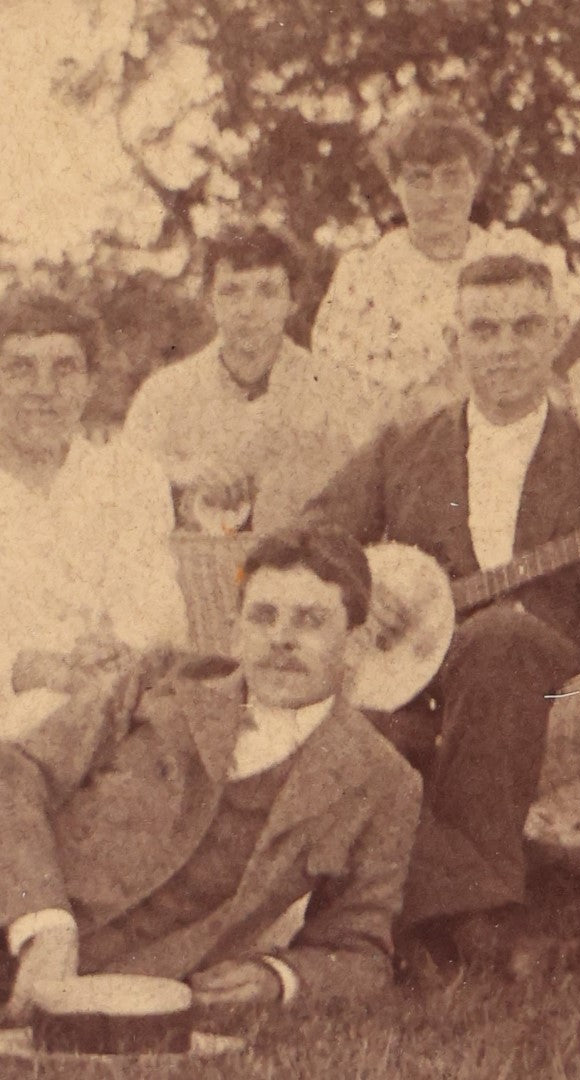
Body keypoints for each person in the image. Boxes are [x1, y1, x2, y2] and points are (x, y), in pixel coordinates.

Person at [304, 252, 580, 974]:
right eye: (483, 329)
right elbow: (309, 538)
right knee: (348, 726)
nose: (503, 347)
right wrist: (359, 589)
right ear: (455, 341)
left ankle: (445, 916)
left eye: (525, 327)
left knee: (504, 636)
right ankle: (466, 917)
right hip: (410, 680)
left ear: (556, 334)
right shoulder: (403, 449)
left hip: (542, 679)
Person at [0, 527, 422, 1016]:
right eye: (263, 617)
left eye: (310, 621)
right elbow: (17, 769)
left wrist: (277, 978)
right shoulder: (161, 680)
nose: (281, 639)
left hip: (127, 993)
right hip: (23, 912)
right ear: (235, 629)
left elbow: (359, 952)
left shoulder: (381, 780)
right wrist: (44, 924)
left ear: (354, 642)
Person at [309, 100, 580, 446]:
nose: (437, 195)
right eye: (419, 179)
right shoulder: (365, 276)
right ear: (394, 183)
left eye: (452, 176)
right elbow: (343, 405)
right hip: (411, 465)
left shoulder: (521, 256)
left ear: (475, 178)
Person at [0, 291, 187, 732]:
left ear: (90, 383)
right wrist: (29, 668)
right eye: (19, 369)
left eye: (64, 368)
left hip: (114, 702)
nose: (43, 391)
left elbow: (159, 609)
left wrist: (117, 651)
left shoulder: (129, 479)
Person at [122, 225, 347, 535]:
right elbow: (123, 479)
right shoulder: (165, 392)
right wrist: (182, 474)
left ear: (293, 301)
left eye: (267, 292)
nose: (248, 310)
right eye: (232, 292)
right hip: (191, 569)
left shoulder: (332, 390)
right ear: (208, 301)